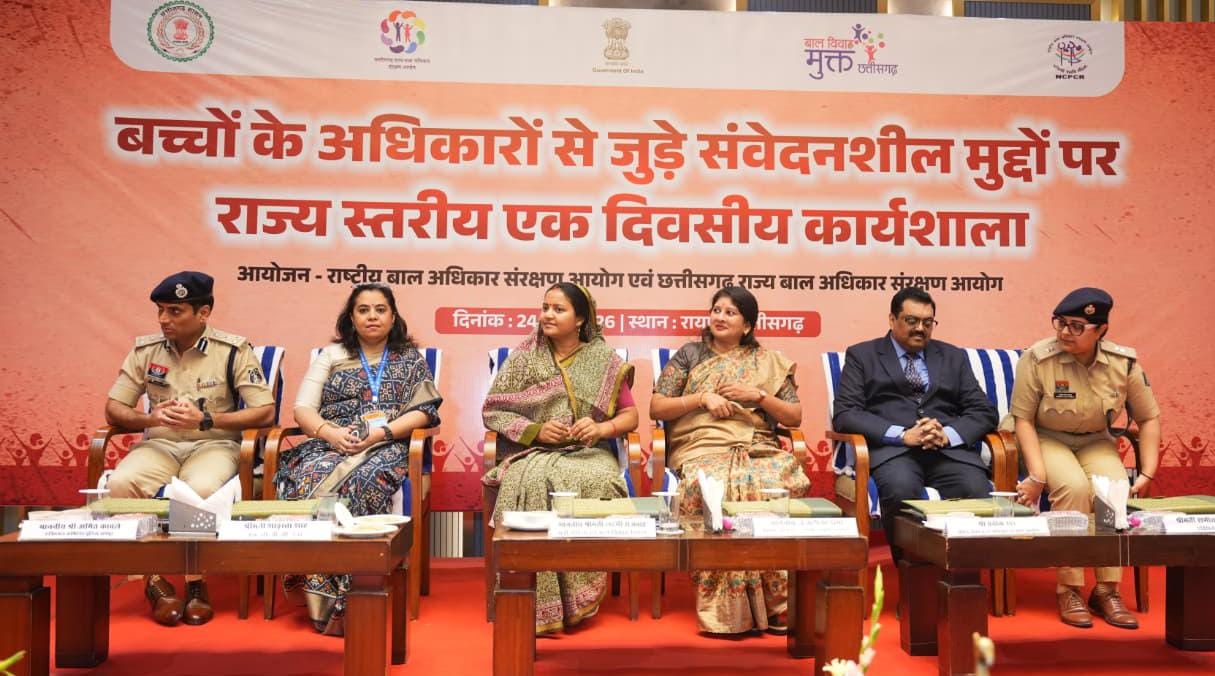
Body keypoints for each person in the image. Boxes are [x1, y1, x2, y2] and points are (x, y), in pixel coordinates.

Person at [104, 271, 275, 626]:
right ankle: (154, 580)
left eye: (175, 311)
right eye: (161, 310)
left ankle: (195, 582)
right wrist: (151, 418)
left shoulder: (232, 351)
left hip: (213, 444)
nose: (164, 319)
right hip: (160, 444)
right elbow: (114, 408)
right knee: (120, 483)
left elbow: (265, 411)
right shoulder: (146, 351)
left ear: (203, 313)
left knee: (199, 490)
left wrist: (207, 419)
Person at [275, 283, 442, 635]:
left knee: (363, 480)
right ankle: (319, 588)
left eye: (380, 309)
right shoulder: (332, 355)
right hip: (331, 443)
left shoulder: (409, 358)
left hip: (388, 445)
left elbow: (426, 411)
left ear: (393, 316)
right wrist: (330, 433)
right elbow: (303, 409)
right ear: (351, 318)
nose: (372, 316)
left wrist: (381, 434)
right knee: (310, 475)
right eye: (363, 310)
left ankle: (355, 593)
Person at [482, 283, 638, 635]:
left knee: (597, 480)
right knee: (529, 480)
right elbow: (493, 411)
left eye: (558, 309)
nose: (548, 315)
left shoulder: (604, 360)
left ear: (580, 318)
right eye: (545, 308)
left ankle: (577, 593)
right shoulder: (523, 358)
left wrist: (601, 428)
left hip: (588, 453)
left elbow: (631, 416)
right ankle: (527, 596)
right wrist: (536, 430)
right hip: (532, 451)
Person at [650, 286, 806, 635]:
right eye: (716, 310)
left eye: (730, 313)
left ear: (747, 325)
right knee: (714, 487)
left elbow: (794, 416)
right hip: (701, 445)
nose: (720, 317)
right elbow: (657, 407)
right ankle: (727, 611)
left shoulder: (769, 361)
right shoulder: (689, 355)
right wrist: (701, 398)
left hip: (757, 445)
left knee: (772, 485)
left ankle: (776, 602)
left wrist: (759, 396)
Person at [1010, 287, 1160, 630]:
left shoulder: (1123, 363)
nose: (1065, 332)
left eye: (1077, 326)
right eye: (1060, 322)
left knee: (1112, 489)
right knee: (1074, 488)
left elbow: (1149, 417)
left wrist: (1148, 472)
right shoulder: (1037, 358)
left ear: (1101, 329)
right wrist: (1037, 476)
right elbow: (1023, 420)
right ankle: (1070, 589)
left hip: (1095, 440)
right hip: (1046, 436)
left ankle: (1107, 590)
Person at [832, 287, 997, 561]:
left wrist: (948, 434)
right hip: (895, 454)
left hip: (948, 453)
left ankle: (963, 571)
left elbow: (983, 410)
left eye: (927, 322)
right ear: (892, 319)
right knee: (901, 490)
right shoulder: (863, 355)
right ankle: (912, 571)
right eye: (911, 320)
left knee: (976, 490)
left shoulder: (952, 356)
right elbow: (846, 413)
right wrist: (902, 435)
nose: (920, 328)